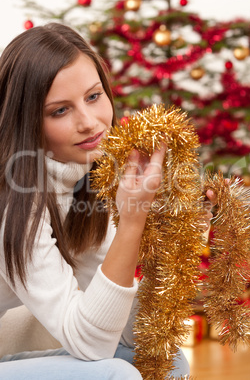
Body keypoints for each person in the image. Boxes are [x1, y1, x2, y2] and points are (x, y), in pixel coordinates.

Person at [0, 23, 216, 379]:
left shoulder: (88, 181)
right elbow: (91, 344)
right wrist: (133, 218)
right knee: (117, 374)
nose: (89, 123)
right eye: (59, 111)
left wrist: (180, 236)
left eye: (93, 96)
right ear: (28, 123)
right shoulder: (14, 201)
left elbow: (130, 332)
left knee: (168, 361)